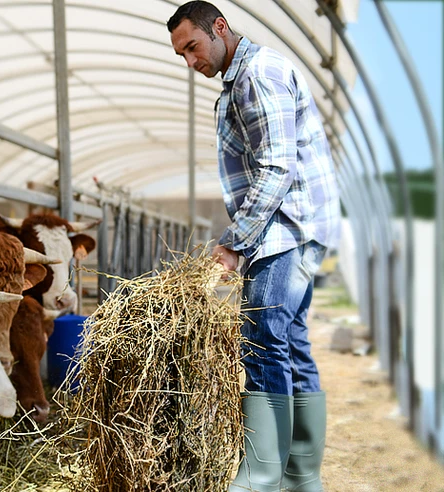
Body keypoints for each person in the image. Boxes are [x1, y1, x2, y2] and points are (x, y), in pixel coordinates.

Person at [167, 2, 341, 491]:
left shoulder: (257, 75)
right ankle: (301, 477)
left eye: (193, 47)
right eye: (181, 54)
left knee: (262, 340)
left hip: (288, 227)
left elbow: (276, 169)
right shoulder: (238, 76)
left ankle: (262, 477)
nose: (190, 62)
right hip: (297, 225)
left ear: (219, 28)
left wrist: (233, 243)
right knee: (290, 343)